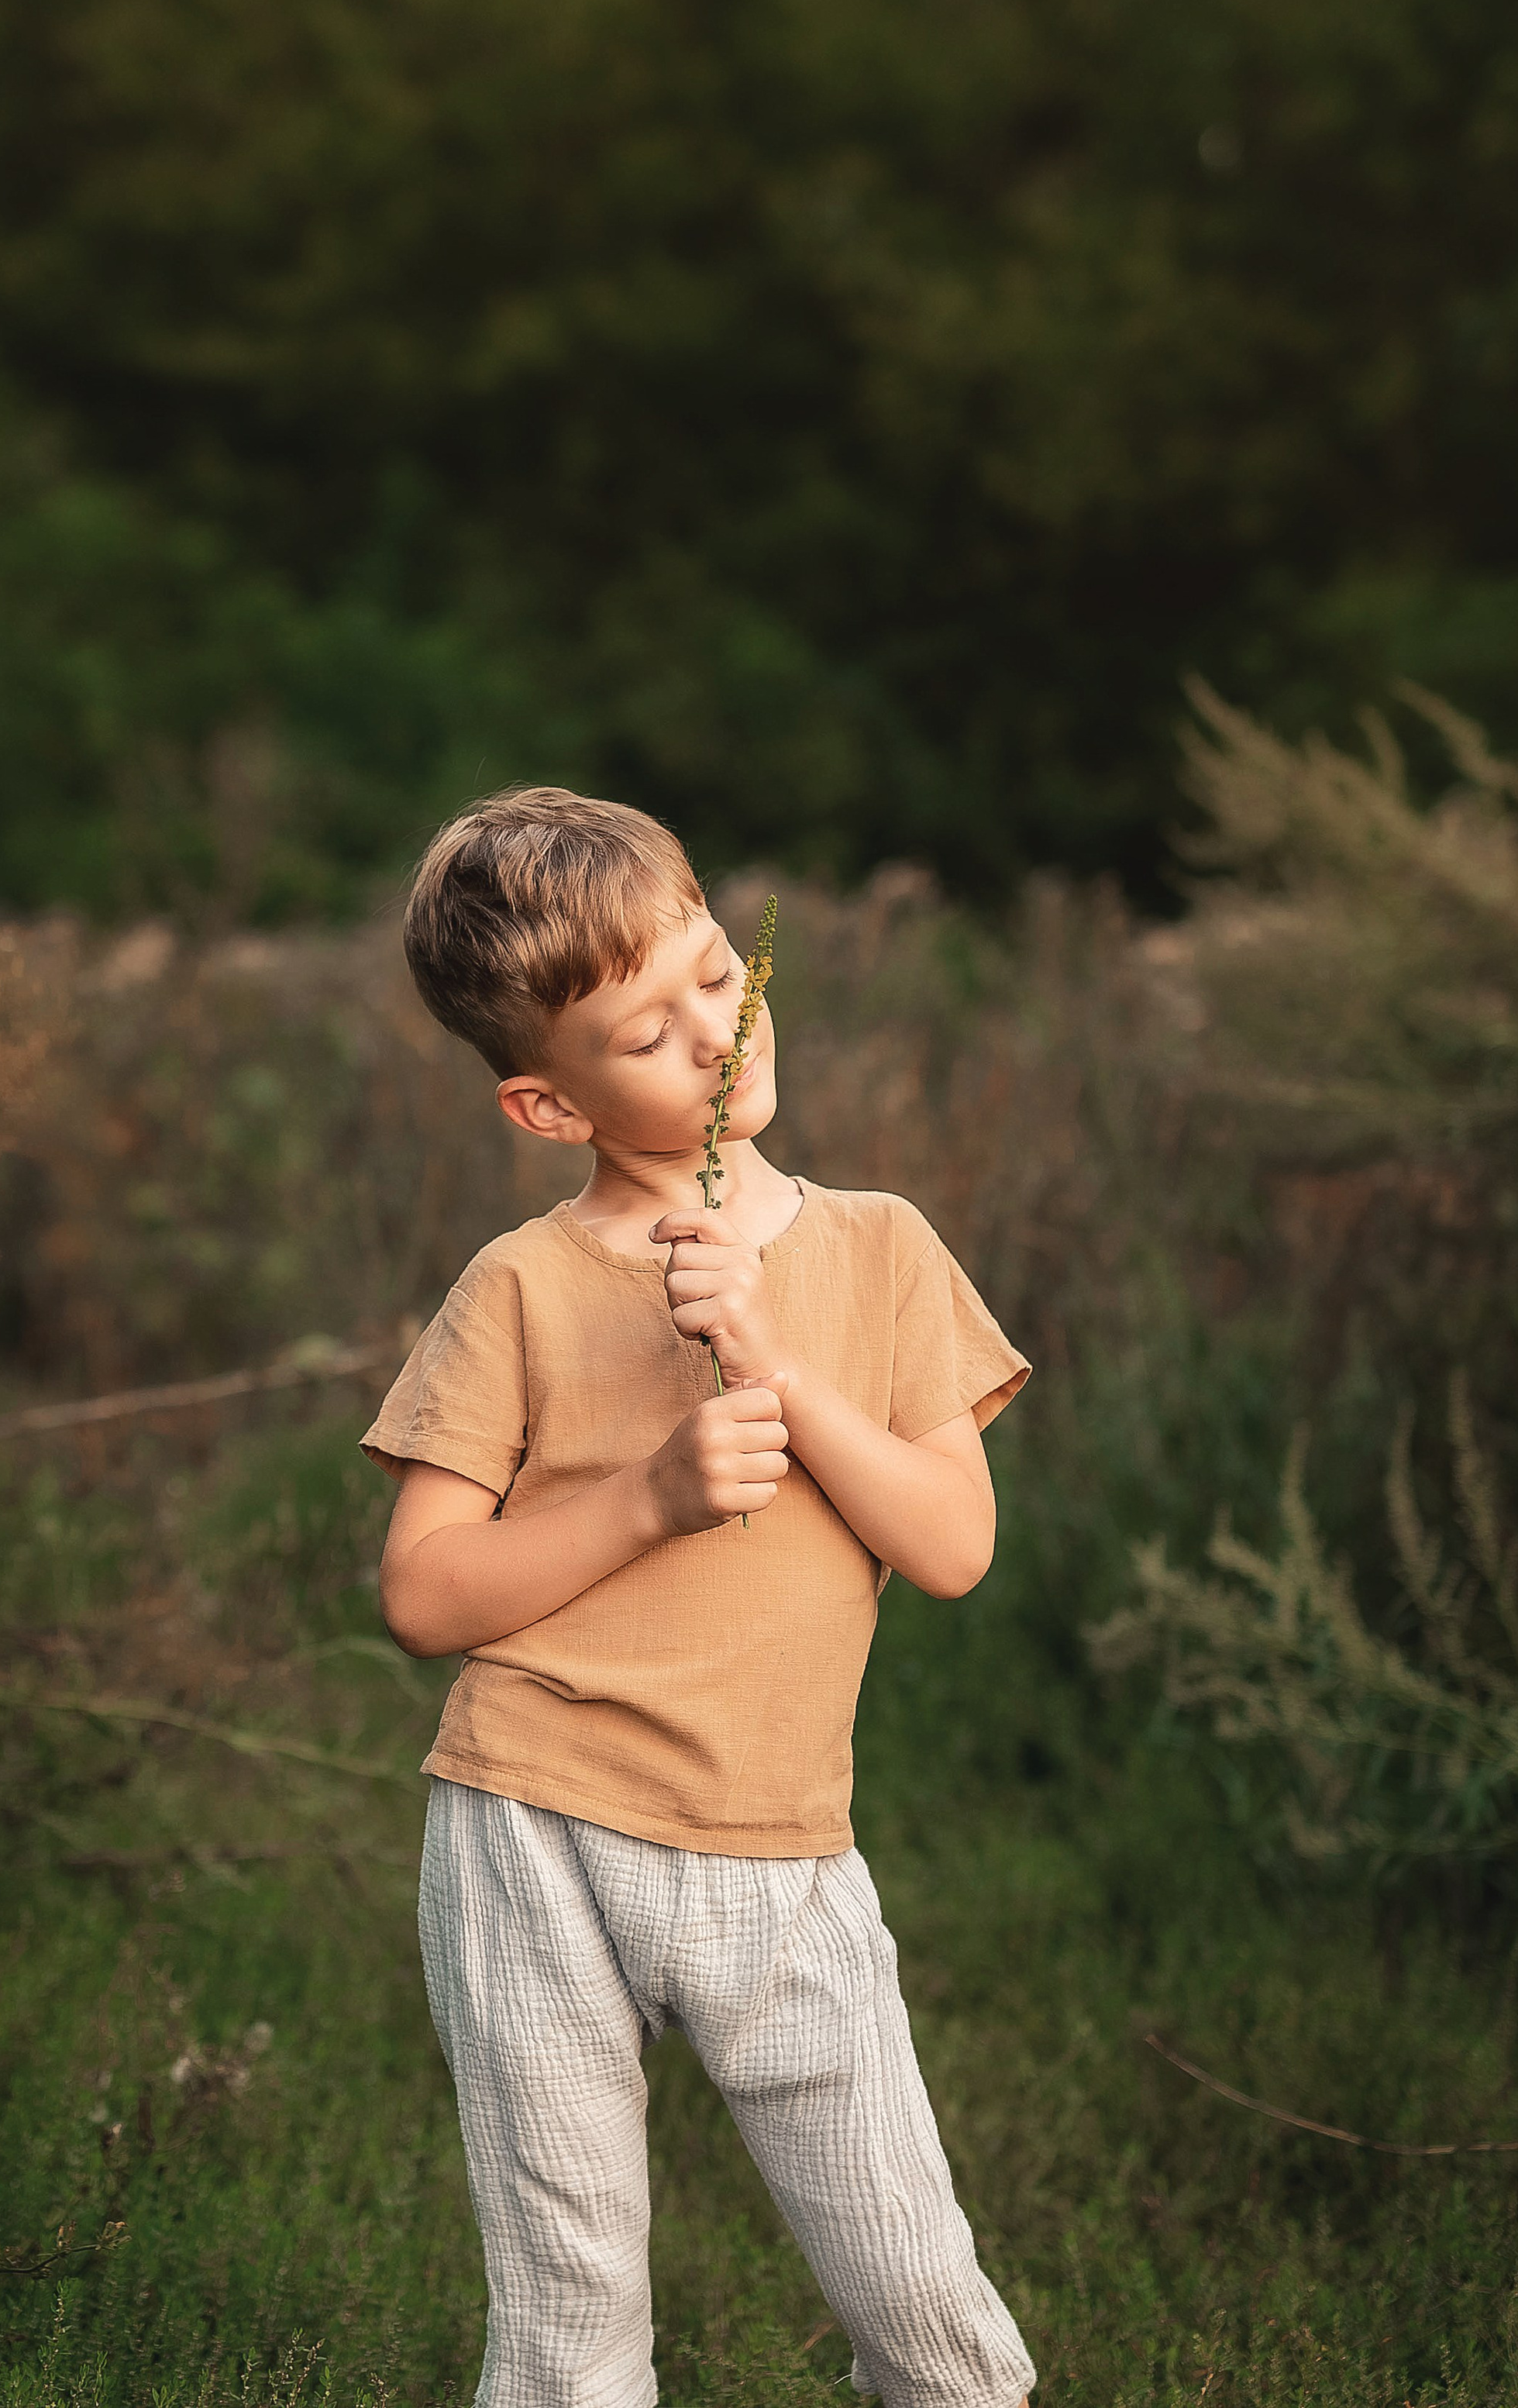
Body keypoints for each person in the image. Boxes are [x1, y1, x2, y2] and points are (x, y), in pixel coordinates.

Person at [365, 787, 1036, 2408]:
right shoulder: (518, 1286)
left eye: (717, 976)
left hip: (777, 1846)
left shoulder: (880, 1250)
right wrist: (648, 1494)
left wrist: (776, 1366)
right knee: (568, 2324)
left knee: (924, 2304)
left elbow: (949, 1544)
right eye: (645, 1030)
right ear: (543, 1102)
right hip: (533, 1827)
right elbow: (426, 1592)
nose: (712, 1037)